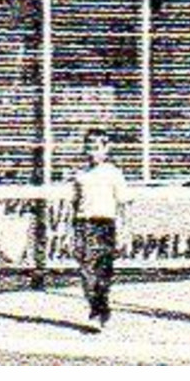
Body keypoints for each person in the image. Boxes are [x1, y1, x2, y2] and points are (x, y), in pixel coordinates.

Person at [72, 128, 130, 331]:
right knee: (86, 271)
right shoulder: (80, 175)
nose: (91, 152)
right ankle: (95, 308)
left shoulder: (114, 174)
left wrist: (124, 232)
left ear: (106, 149)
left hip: (105, 224)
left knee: (102, 272)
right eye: (88, 147)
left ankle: (101, 309)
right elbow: (75, 203)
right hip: (84, 223)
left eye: (96, 148)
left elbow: (123, 204)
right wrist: (71, 231)